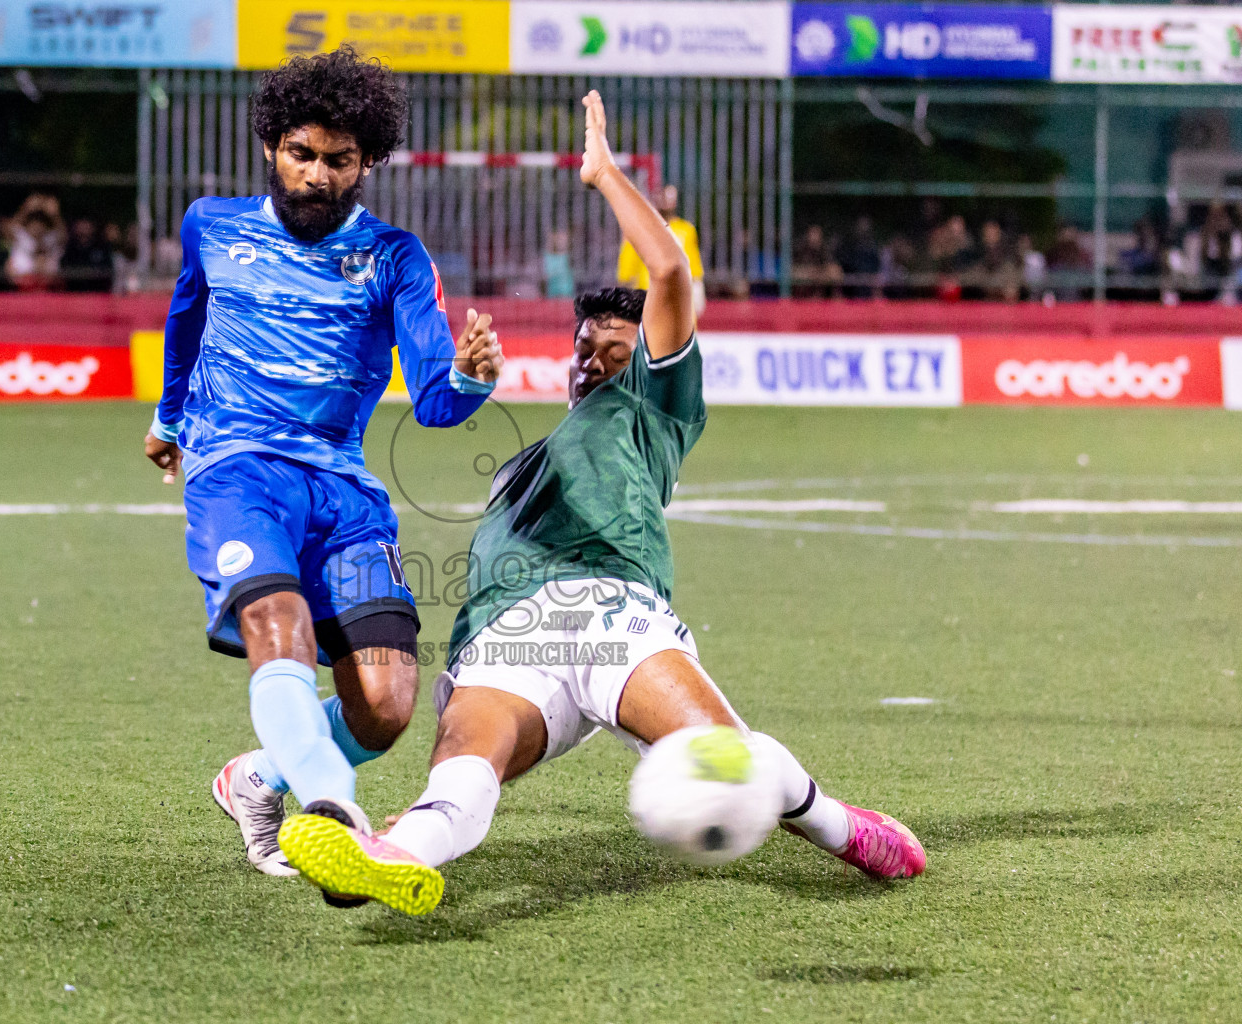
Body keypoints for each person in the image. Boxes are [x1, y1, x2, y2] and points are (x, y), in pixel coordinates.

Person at [277, 91, 927, 916]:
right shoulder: (526, 461)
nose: (590, 362)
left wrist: (605, 175)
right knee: (459, 774)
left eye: (612, 350)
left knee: (726, 757)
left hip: (611, 608)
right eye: (582, 350)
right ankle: (385, 858)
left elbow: (668, 273)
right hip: (503, 630)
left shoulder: (656, 409)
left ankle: (842, 827)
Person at [144, 47, 504, 887]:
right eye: (300, 153)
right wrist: (169, 419)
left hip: (342, 492)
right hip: (237, 470)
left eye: (338, 160)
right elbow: (185, 322)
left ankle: (255, 781)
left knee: (385, 709)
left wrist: (474, 381)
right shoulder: (213, 224)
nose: (315, 174)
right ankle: (332, 807)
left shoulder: (396, 258)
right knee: (283, 632)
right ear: (271, 145)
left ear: (368, 162)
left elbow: (437, 403)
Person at [617, 183, 705, 315]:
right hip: (648, 296)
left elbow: (693, 264)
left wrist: (697, 288)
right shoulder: (640, 228)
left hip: (679, 299)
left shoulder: (686, 230)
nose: (666, 200)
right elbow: (626, 270)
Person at [61, 216, 113, 292]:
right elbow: (64, 268)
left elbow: (108, 269)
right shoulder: (70, 248)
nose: (83, 227)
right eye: (81, 223)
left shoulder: (102, 246)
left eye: (86, 223)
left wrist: (89, 273)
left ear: (92, 226)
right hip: (74, 293)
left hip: (98, 293)